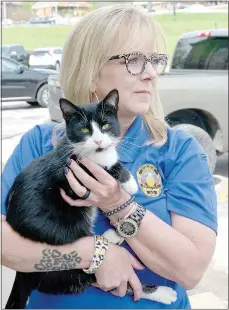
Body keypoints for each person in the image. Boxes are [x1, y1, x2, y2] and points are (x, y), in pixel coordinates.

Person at [2, 4, 217, 309]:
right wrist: (95, 253)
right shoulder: (40, 144)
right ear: (91, 73)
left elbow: (191, 270)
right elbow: (4, 246)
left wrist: (116, 202)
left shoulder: (178, 149)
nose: (151, 74)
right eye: (135, 61)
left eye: (155, 61)